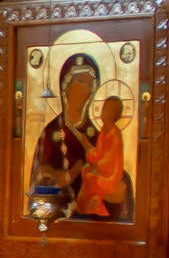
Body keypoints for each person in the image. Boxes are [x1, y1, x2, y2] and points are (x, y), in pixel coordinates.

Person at [30, 53, 103, 218]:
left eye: (90, 84)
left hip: (90, 218)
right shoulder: (50, 132)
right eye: (80, 81)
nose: (86, 89)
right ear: (66, 86)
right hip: (55, 213)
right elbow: (41, 181)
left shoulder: (95, 135)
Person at [78, 92, 133, 221]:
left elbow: (110, 159)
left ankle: (96, 205)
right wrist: (87, 147)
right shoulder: (103, 130)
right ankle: (85, 206)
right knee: (85, 170)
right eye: (103, 108)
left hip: (111, 175)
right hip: (103, 170)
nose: (102, 112)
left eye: (106, 109)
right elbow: (98, 154)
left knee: (90, 177)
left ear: (113, 114)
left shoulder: (114, 133)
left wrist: (95, 166)